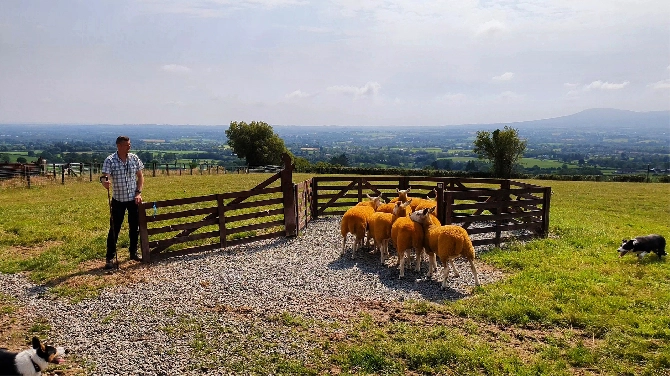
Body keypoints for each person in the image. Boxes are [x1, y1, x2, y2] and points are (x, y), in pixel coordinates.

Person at [101, 136, 144, 269]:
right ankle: (110, 257)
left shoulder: (134, 158)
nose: (129, 147)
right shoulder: (110, 160)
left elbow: (140, 176)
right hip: (118, 200)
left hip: (133, 200)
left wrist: (138, 192)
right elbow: (104, 176)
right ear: (119, 146)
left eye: (129, 145)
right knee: (114, 229)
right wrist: (104, 182)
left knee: (134, 227)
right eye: (126, 145)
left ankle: (133, 253)